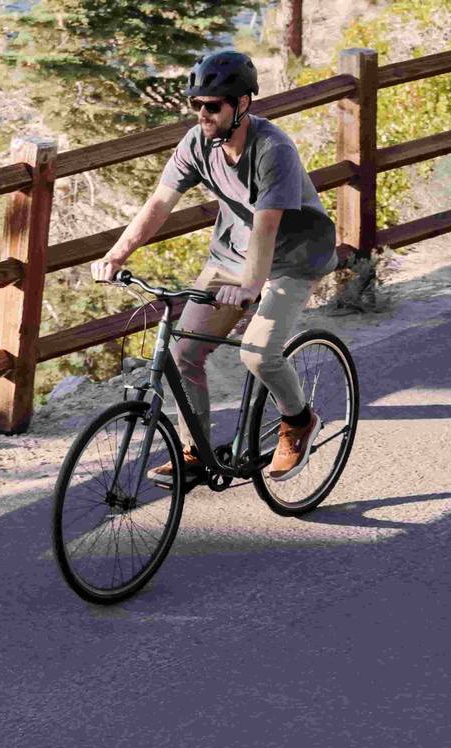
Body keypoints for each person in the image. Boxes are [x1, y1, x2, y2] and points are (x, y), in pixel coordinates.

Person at [91, 49, 339, 485]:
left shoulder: (272, 149)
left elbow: (267, 227)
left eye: (213, 106)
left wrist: (249, 286)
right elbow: (159, 204)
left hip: (292, 259)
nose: (202, 114)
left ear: (242, 103)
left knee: (258, 352)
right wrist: (117, 254)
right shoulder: (196, 143)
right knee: (184, 352)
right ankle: (196, 453)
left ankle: (298, 421)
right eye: (196, 105)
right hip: (232, 256)